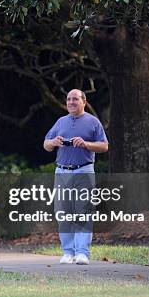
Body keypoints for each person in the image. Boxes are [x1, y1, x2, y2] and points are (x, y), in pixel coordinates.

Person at [43, 89, 108, 265]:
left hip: (84, 171)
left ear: (84, 102)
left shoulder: (93, 122)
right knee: (63, 212)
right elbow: (46, 145)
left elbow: (104, 146)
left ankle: (82, 253)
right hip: (62, 172)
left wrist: (86, 144)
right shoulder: (61, 121)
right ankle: (68, 252)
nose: (71, 102)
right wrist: (53, 142)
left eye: (75, 99)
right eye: (69, 99)